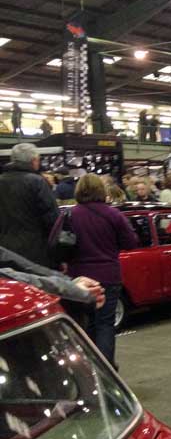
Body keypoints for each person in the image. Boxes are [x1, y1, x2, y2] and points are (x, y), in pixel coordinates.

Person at [67, 173, 138, 366]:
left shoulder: (69, 215)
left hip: (78, 278)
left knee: (84, 324)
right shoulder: (113, 215)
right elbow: (131, 242)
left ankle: (88, 367)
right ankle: (106, 369)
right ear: (101, 190)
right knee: (105, 324)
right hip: (108, 276)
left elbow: (53, 244)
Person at [0, 143, 59, 268]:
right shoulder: (37, 182)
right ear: (34, 160)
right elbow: (52, 218)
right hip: (35, 250)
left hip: (4, 250)